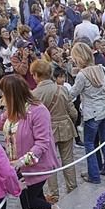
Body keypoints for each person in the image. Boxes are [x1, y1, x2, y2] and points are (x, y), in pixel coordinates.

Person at [0, 74, 63, 209]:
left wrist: (22, 161)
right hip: (19, 166)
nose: (2, 97)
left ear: (12, 94)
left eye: (4, 94)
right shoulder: (12, 110)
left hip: (37, 166)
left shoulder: (38, 111)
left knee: (28, 199)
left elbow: (43, 143)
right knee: (36, 195)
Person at [30, 59, 77, 201]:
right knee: (68, 159)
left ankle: (54, 193)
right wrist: (72, 121)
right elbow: (73, 112)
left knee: (50, 162)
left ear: (36, 75)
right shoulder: (61, 88)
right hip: (66, 126)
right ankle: (72, 187)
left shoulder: (34, 94)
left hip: (47, 130)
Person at [69, 42, 105, 184]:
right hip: (104, 111)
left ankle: (94, 175)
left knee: (89, 144)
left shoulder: (83, 75)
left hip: (91, 114)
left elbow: (72, 94)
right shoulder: (102, 69)